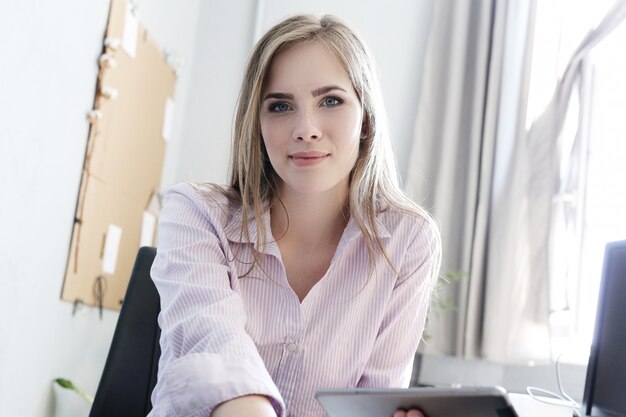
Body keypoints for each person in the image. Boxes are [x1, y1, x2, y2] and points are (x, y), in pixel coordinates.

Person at [148, 14, 441, 417]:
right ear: (258, 123)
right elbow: (213, 347)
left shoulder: (408, 239)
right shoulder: (197, 214)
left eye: (331, 101)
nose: (306, 129)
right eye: (281, 106)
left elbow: (375, 401)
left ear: (366, 118)